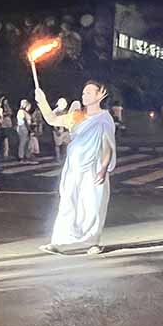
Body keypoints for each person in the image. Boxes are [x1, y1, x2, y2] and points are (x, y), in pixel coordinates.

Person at [34, 81, 116, 255]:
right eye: (84, 92)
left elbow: (107, 145)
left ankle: (93, 241)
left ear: (100, 95)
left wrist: (103, 168)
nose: (84, 95)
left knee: (92, 204)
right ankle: (58, 242)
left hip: (94, 167)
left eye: (89, 93)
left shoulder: (104, 118)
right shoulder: (76, 116)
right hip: (74, 166)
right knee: (67, 202)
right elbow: (52, 119)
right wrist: (42, 101)